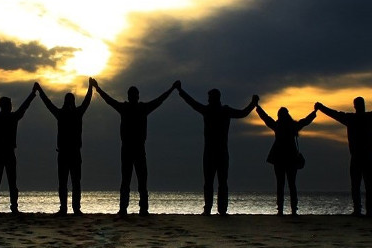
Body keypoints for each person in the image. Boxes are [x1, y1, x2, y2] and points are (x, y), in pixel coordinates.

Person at [92, 80, 177, 215]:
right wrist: (98, 89)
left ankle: (138, 209)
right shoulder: (130, 108)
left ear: (136, 96)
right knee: (129, 180)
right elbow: (110, 100)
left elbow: (159, 100)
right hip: (129, 149)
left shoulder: (138, 108)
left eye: (134, 95)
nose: (133, 97)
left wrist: (172, 89)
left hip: (137, 149)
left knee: (139, 180)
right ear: (132, 96)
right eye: (132, 95)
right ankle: (128, 208)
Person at [176, 82, 258, 215]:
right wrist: (253, 103)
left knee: (215, 182)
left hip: (214, 152)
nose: (208, 100)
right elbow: (243, 113)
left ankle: (213, 209)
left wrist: (180, 91)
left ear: (214, 99)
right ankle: (217, 209)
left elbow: (193, 103)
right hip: (217, 152)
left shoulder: (213, 110)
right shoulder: (221, 111)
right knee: (218, 182)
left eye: (210, 98)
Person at [316, 93, 372, 215]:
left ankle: (359, 210)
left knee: (358, 185)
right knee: (365, 185)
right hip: (364, 157)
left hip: (358, 156)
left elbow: (335, 114)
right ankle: (366, 210)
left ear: (355, 106)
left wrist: (321, 107)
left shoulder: (352, 118)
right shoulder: (368, 117)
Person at [0, 84, 37, 213]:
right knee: (4, 182)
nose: (10, 106)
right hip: (4, 152)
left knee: (4, 182)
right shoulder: (7, 117)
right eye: (9, 104)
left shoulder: (2, 117)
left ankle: (1, 207)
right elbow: (23, 107)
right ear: (5, 105)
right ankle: (4, 207)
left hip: (4, 152)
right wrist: (32, 94)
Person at [36, 80, 93, 214]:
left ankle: (74, 208)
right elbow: (48, 103)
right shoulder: (65, 114)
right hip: (65, 153)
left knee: (73, 182)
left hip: (72, 153)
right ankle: (66, 208)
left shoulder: (71, 113)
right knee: (66, 182)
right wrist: (40, 90)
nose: (69, 104)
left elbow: (86, 101)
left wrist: (90, 87)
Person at [255, 103, 317, 216]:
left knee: (280, 184)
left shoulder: (277, 126)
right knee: (292, 184)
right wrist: (314, 112)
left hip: (279, 158)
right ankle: (293, 210)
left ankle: (280, 210)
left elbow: (266, 118)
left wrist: (258, 108)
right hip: (291, 158)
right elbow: (305, 121)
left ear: (279, 116)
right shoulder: (293, 126)